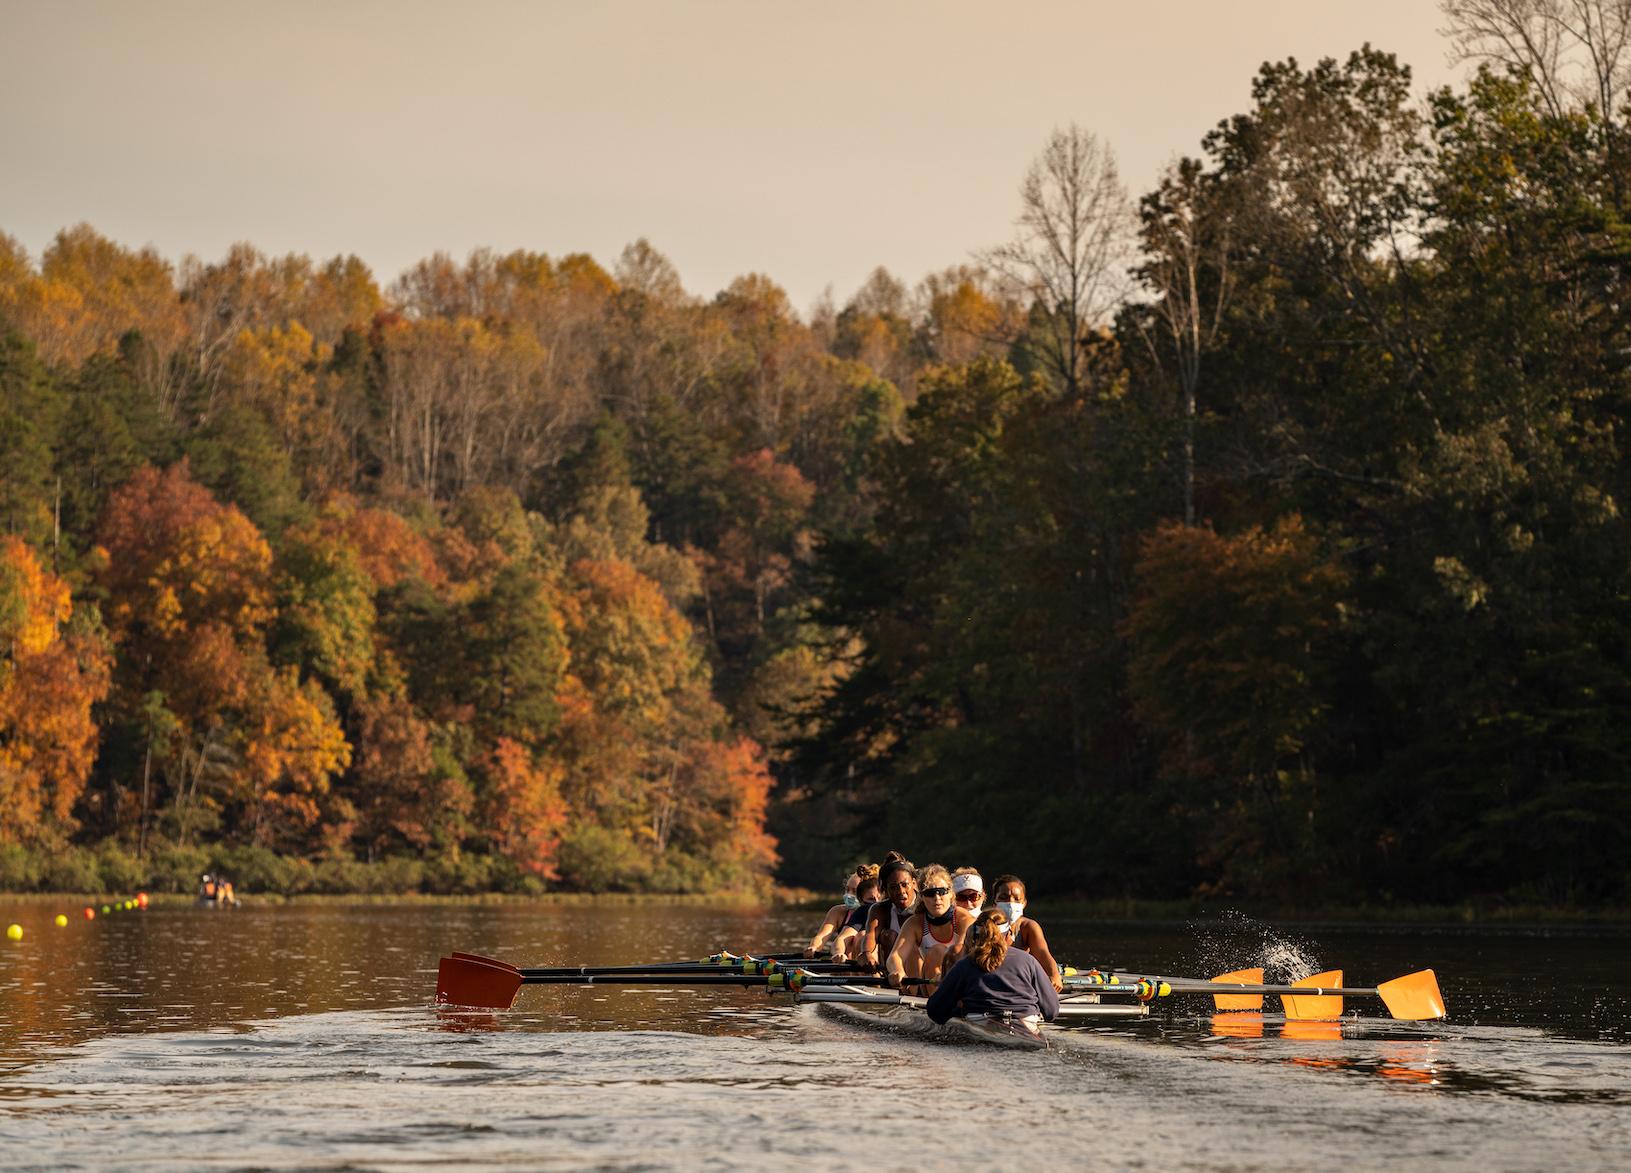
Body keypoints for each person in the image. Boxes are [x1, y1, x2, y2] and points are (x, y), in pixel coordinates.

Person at [925, 908, 1059, 1029]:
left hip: (979, 1023)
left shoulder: (965, 964)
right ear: (1009, 935)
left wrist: (957, 1006)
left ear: (976, 937)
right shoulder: (1029, 961)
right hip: (1026, 1023)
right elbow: (1051, 1012)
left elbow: (935, 1012)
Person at [886, 863, 975, 990]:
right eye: (930, 893)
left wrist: (944, 975)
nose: (937, 898)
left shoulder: (965, 920)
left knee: (940, 950)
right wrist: (897, 971)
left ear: (951, 894)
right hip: (929, 984)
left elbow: (959, 955)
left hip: (962, 983)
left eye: (942, 892)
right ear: (922, 896)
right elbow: (894, 957)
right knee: (930, 951)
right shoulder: (914, 923)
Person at [989, 874, 1064, 992]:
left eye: (1017, 899)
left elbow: (1042, 953)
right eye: (1004, 898)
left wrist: (1054, 975)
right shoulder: (985, 926)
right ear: (994, 903)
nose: (1010, 903)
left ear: (1024, 903)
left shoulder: (1028, 927)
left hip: (1020, 981)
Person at [859, 852, 916, 971]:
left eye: (905, 885)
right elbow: (871, 935)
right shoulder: (879, 909)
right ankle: (890, 978)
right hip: (894, 972)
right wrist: (866, 953)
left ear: (914, 883)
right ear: (885, 890)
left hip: (921, 966)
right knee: (889, 936)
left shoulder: (926, 905)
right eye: (894, 887)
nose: (901, 891)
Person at [828, 866, 883, 961]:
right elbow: (842, 939)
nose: (876, 903)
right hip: (869, 961)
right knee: (861, 936)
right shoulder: (864, 910)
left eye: (880, 898)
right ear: (862, 900)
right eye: (871, 899)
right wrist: (838, 953)